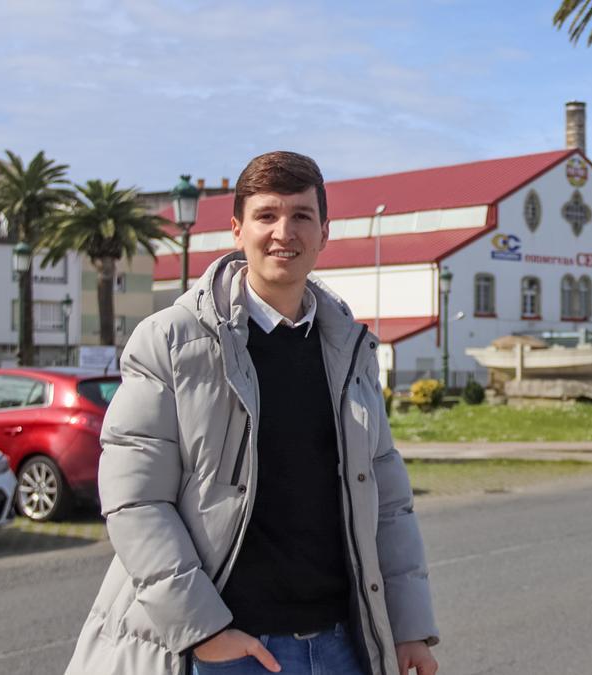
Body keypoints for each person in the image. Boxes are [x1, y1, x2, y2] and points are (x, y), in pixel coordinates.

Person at [67, 151, 439, 675]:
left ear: (324, 233)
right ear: (238, 229)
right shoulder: (171, 341)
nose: (283, 231)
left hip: (342, 646)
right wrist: (205, 631)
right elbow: (136, 500)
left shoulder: (349, 350)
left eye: (301, 216)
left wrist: (408, 629)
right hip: (228, 649)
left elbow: (389, 502)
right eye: (267, 215)